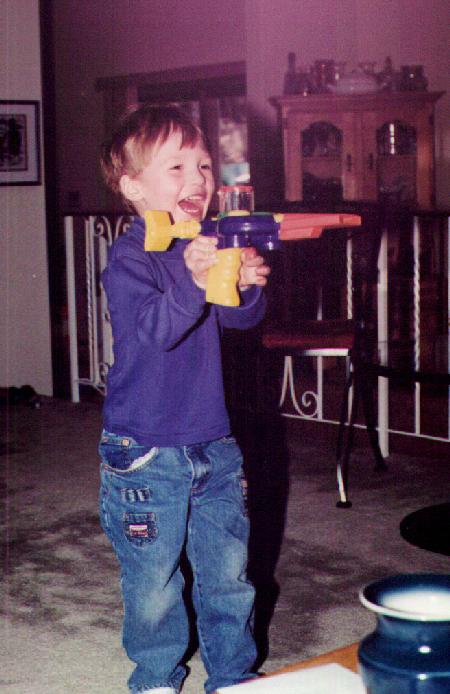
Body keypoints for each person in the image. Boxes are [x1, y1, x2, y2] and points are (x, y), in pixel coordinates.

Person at [98, 104, 270, 694]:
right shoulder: (130, 258)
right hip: (145, 448)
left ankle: (233, 674)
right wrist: (194, 282)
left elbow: (238, 321)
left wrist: (242, 284)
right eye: (176, 167)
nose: (197, 179)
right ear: (133, 187)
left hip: (213, 440)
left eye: (203, 166)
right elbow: (153, 332)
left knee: (229, 573)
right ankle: (154, 677)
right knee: (154, 581)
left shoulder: (205, 242)